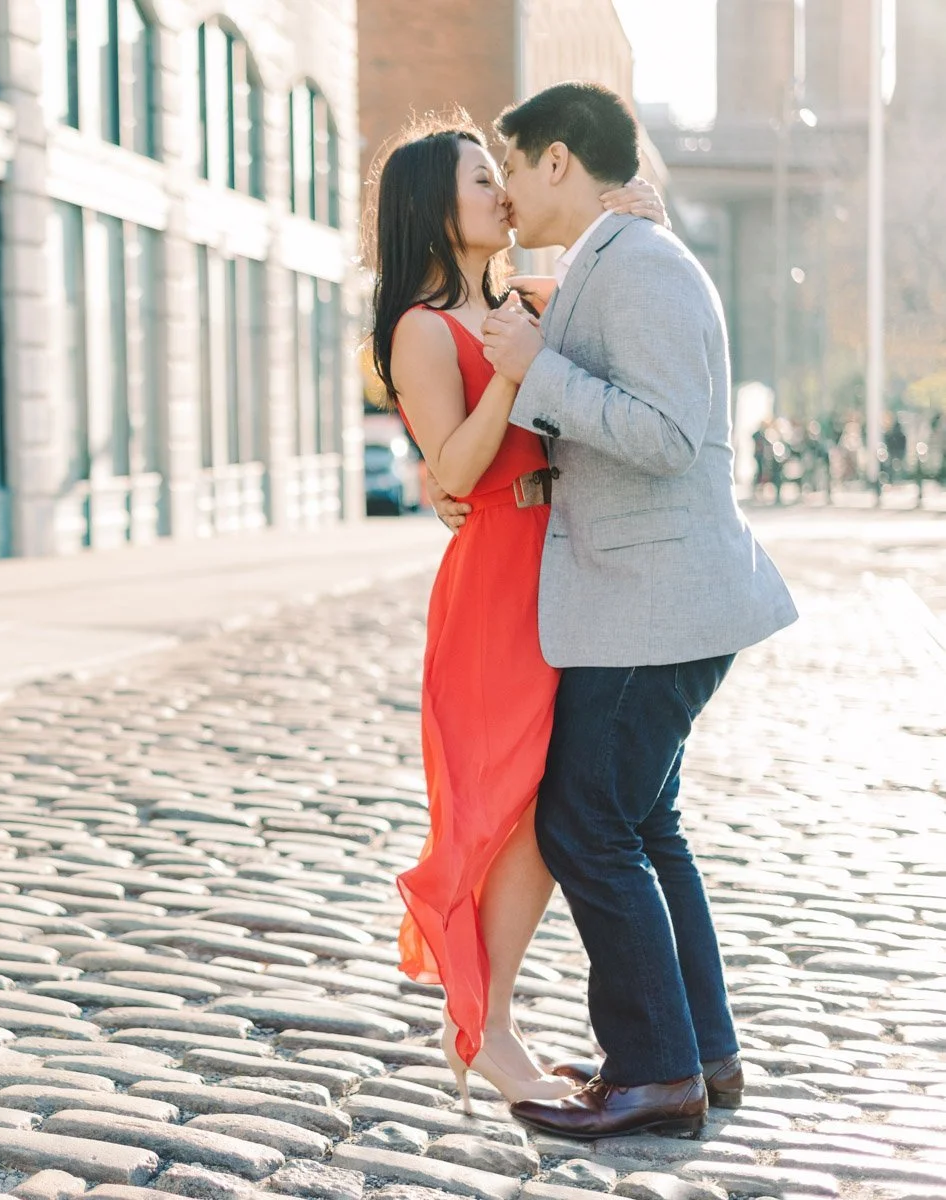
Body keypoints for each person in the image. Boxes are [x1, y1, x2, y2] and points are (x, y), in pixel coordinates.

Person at [439, 81, 798, 1138]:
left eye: (511, 165)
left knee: (584, 818)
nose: (503, 189)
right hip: (650, 603)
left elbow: (674, 435)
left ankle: (654, 1072)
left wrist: (540, 373)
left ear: (558, 163)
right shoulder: (613, 257)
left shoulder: (640, 265)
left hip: (656, 606)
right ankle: (701, 1052)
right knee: (643, 822)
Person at [366, 114, 665, 1113]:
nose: (502, 190)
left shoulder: (511, 298)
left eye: (501, 173)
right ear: (432, 206)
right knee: (507, 811)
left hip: (550, 572)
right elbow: (450, 468)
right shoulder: (421, 326)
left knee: (535, 811)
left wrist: (631, 212)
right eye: (481, 175)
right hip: (494, 584)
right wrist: (513, 369)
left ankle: (489, 1021)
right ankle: (485, 1029)